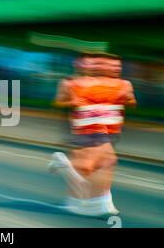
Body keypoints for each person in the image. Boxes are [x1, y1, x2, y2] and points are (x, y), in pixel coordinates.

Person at [49, 52, 136, 216]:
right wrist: (72, 102)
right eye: (87, 63)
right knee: (104, 162)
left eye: (93, 63)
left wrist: (123, 99)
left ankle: (81, 198)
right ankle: (102, 203)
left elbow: (123, 101)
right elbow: (57, 103)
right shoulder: (69, 82)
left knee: (90, 166)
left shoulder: (108, 82)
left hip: (106, 128)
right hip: (81, 128)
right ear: (78, 64)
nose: (90, 66)